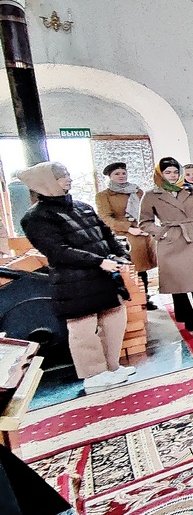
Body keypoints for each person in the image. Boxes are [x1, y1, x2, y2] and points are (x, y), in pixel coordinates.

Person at [19, 162, 134, 394]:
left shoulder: (82, 207)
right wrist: (99, 261)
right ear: (46, 183)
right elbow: (57, 251)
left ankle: (112, 367)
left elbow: (106, 234)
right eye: (62, 176)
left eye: (67, 174)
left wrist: (121, 255)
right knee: (83, 330)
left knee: (113, 320)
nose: (68, 179)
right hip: (74, 282)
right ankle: (94, 375)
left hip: (104, 277)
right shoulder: (36, 217)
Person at [141, 158, 193, 334]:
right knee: (178, 282)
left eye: (175, 172)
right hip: (171, 241)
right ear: (160, 174)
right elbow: (144, 222)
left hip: (192, 237)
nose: (172, 176)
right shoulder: (151, 195)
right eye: (168, 172)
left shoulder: (190, 190)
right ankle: (188, 318)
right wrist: (162, 232)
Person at [94, 161, 158, 309]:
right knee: (132, 268)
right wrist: (128, 228)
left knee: (143, 269)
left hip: (143, 231)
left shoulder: (136, 191)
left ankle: (144, 296)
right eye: (117, 174)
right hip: (123, 234)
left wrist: (147, 225)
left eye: (123, 173)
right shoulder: (104, 196)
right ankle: (135, 300)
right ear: (110, 176)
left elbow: (148, 210)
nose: (121, 176)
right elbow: (105, 218)